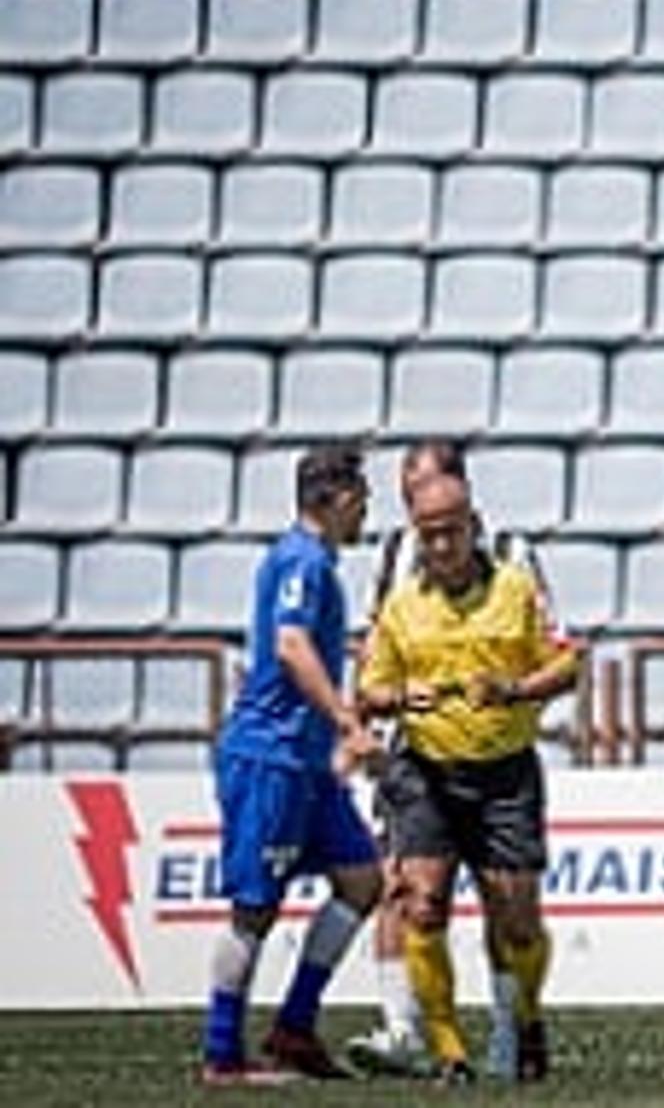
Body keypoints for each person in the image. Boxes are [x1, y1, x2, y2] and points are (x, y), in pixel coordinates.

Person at [357, 472, 580, 1084]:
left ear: (473, 526)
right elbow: (368, 690)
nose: (440, 547)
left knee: (515, 920)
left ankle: (524, 1022)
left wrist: (514, 689)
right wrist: (402, 694)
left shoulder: (515, 589)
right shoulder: (402, 604)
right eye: (428, 536)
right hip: (425, 770)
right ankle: (450, 1052)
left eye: (450, 533)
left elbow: (568, 666)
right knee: (422, 905)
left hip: (505, 773)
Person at [200, 445, 382, 1084]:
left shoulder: (316, 562)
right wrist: (346, 721)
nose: (368, 507)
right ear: (334, 497)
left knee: (362, 880)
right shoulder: (302, 560)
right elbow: (291, 644)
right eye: (362, 494)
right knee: (255, 908)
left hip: (304, 763)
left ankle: (294, 1028)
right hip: (270, 758)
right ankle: (222, 1055)